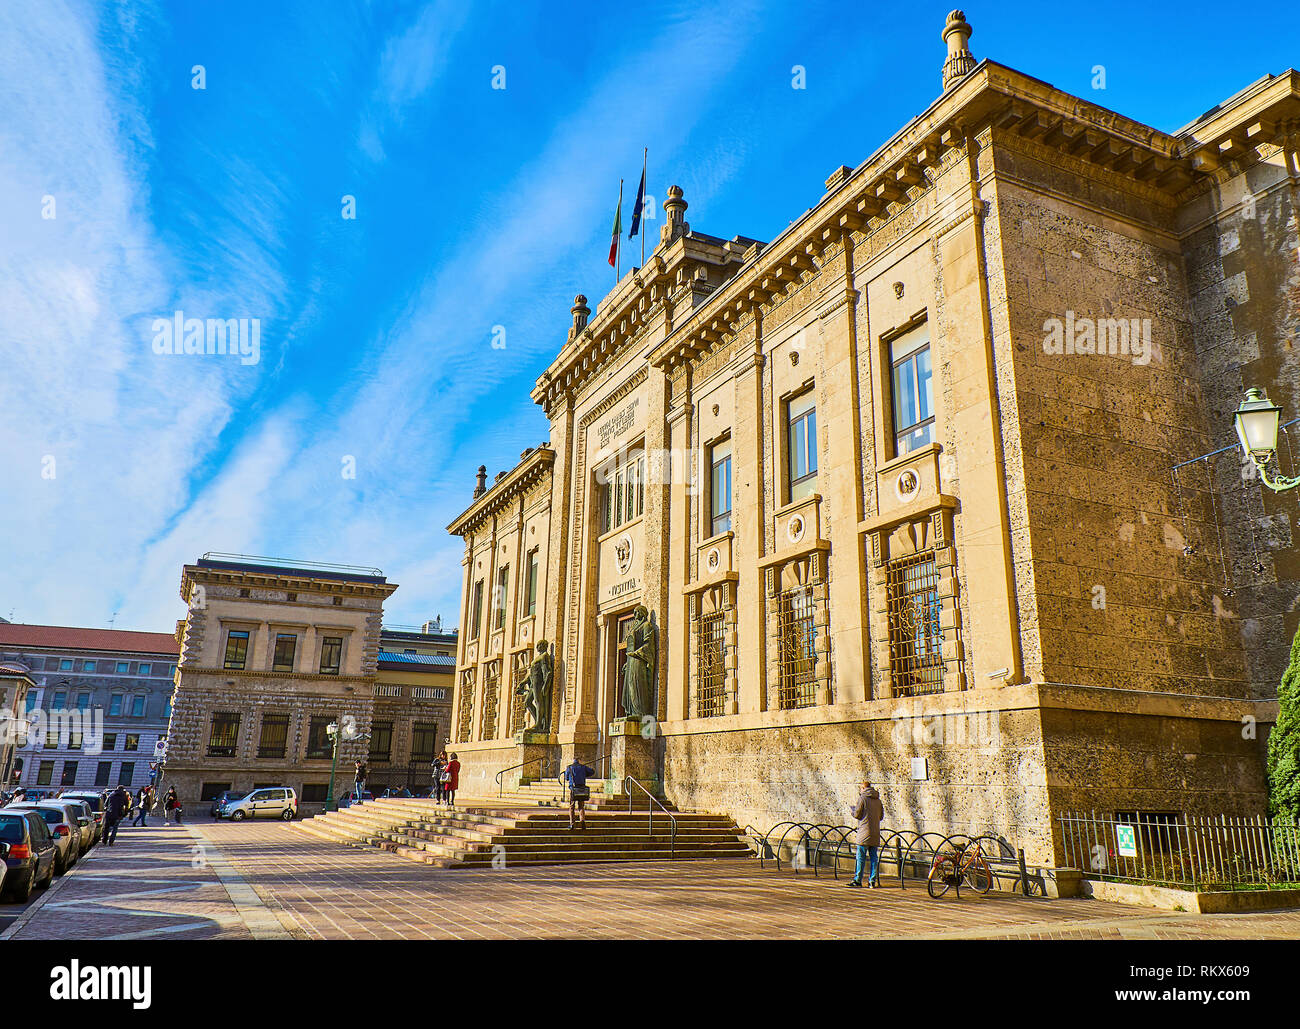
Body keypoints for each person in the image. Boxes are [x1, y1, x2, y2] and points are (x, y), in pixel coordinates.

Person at [848, 780, 885, 888]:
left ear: (863, 788)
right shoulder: (878, 800)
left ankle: (858, 879)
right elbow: (881, 816)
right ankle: (872, 880)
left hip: (864, 832)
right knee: (874, 857)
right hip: (875, 832)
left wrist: (853, 811)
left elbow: (858, 814)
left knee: (861, 857)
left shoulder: (862, 798)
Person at [564, 758, 596, 831]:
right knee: (581, 806)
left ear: (573, 760)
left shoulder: (569, 767)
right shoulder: (583, 767)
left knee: (572, 806)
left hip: (573, 789)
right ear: (579, 760)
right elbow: (591, 772)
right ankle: (582, 822)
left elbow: (566, 778)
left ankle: (572, 824)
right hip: (581, 789)